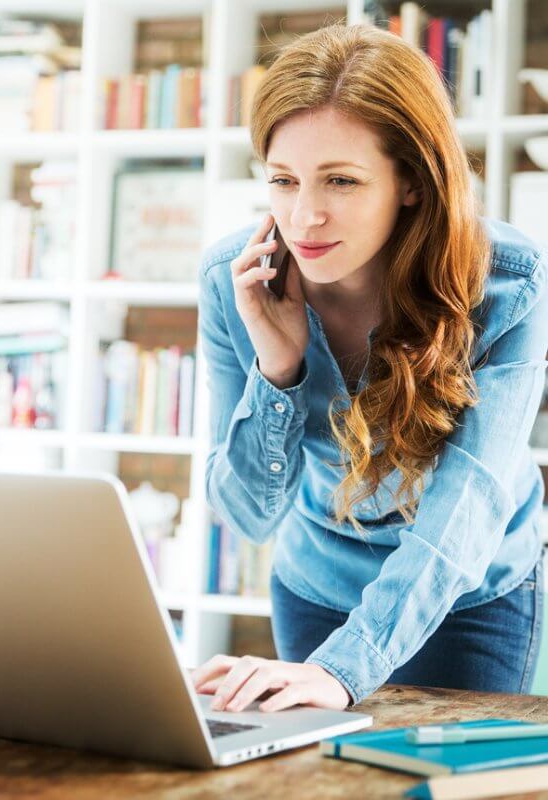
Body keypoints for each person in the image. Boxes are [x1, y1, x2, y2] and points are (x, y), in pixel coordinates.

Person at [192, 22, 547, 714]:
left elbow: (466, 507)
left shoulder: (509, 284)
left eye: (342, 181)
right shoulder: (234, 280)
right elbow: (248, 515)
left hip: (471, 592)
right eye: (284, 181)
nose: (305, 216)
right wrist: (278, 367)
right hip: (318, 584)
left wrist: (347, 667)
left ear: (411, 182)